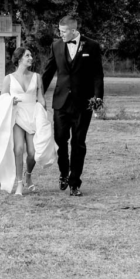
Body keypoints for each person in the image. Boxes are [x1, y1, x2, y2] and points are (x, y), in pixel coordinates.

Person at [41, 15, 104, 196]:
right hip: (60, 102)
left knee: (78, 143)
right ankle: (63, 174)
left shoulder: (92, 46)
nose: (60, 34)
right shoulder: (56, 46)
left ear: (74, 30)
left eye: (63, 31)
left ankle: (74, 183)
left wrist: (98, 98)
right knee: (60, 140)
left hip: (83, 103)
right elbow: (48, 73)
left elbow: (97, 74)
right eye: (59, 31)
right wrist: (37, 95)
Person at [0, 46, 55, 195]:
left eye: (31, 55)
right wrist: (11, 101)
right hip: (17, 116)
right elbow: (2, 98)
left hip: (32, 116)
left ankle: (28, 175)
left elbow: (41, 97)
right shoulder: (8, 79)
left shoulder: (37, 77)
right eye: (27, 56)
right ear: (19, 59)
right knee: (18, 149)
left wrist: (44, 115)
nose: (31, 58)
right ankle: (19, 184)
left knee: (33, 152)